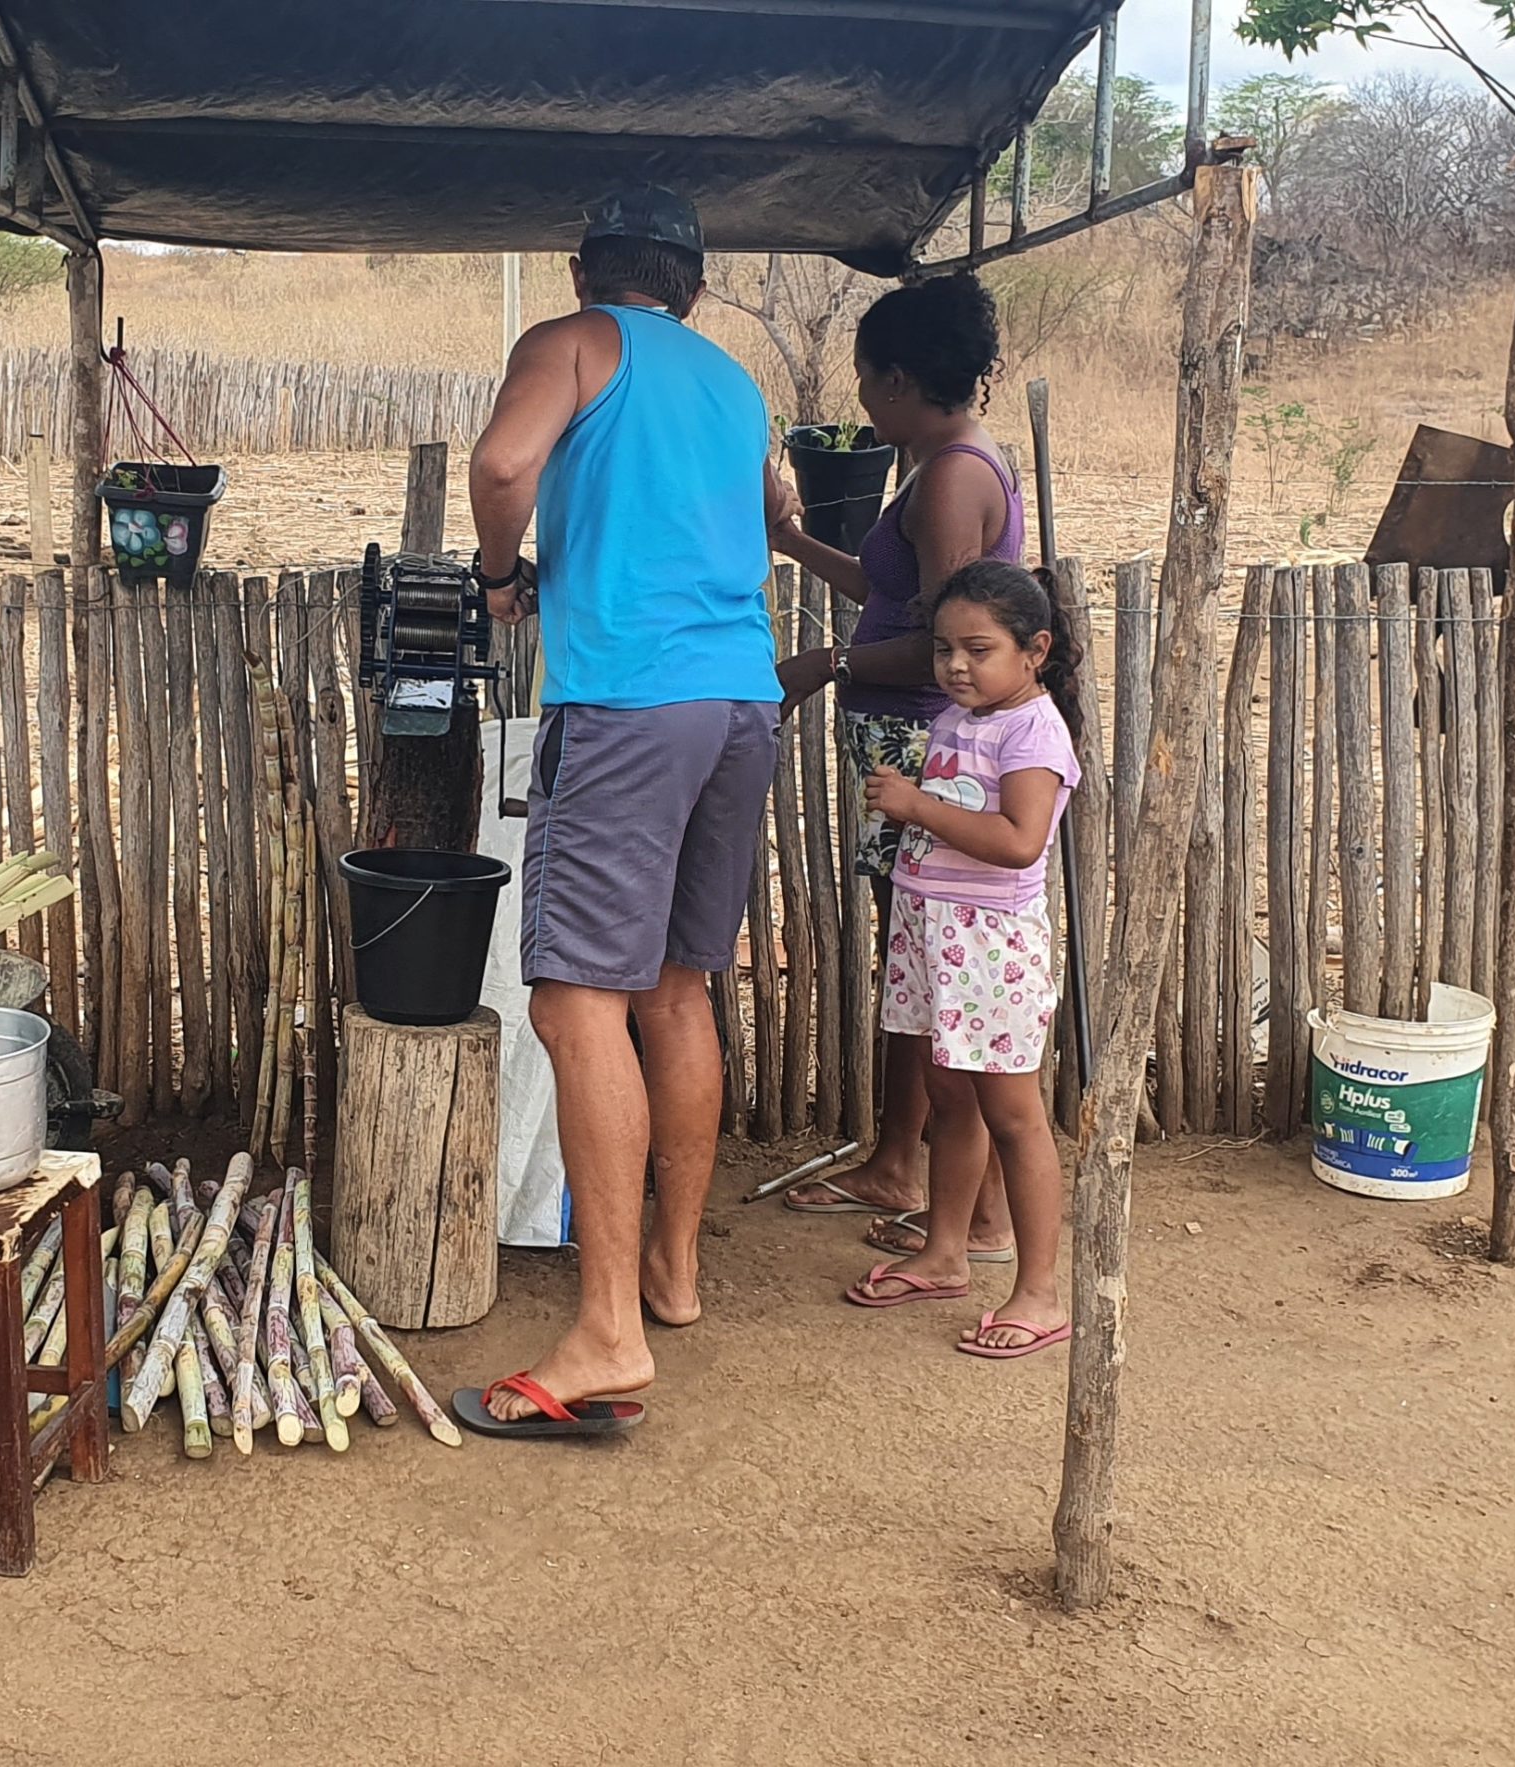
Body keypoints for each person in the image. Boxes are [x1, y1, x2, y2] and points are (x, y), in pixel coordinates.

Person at [448, 187, 786, 1439]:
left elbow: (499, 463)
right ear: (692, 282)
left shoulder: (573, 342)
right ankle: (673, 1275)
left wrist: (499, 574)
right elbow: (771, 519)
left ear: (585, 266)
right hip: (737, 695)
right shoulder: (732, 382)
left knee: (573, 999)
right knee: (679, 986)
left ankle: (604, 1334)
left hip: (628, 699)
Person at [769, 272, 1022, 1266]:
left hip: (931, 751)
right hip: (904, 743)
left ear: (904, 379)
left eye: (868, 378)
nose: (861, 399)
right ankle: (899, 1164)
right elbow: (890, 591)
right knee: (915, 964)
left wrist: (822, 664)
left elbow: (944, 644)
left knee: (945, 970)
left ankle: (979, 1212)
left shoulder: (956, 474)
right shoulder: (934, 463)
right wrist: (792, 541)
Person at [840, 561, 1078, 1359]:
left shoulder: (1034, 731)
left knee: (1014, 1114)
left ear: (1034, 649)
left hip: (992, 947)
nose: (956, 666)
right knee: (952, 1100)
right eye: (945, 649)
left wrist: (916, 805)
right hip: (934, 932)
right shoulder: (959, 716)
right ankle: (945, 1252)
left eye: (979, 649)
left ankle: (1039, 1291)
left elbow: (1018, 843)